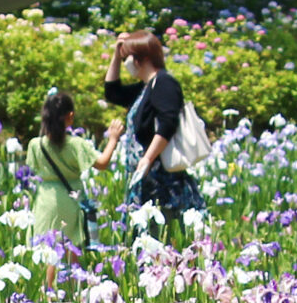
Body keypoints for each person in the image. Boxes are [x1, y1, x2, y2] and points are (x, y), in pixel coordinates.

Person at [100, 31, 204, 224]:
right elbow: (112, 92)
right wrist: (116, 55)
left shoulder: (164, 82)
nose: (126, 62)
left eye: (127, 57)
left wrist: (147, 158)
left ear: (143, 58)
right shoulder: (145, 88)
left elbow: (167, 123)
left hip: (161, 181)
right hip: (146, 177)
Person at [27, 89, 102, 244]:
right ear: (70, 116)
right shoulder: (76, 144)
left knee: (49, 250)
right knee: (71, 250)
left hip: (46, 200)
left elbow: (34, 168)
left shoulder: (36, 145)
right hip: (71, 199)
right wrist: (114, 139)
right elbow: (102, 163)